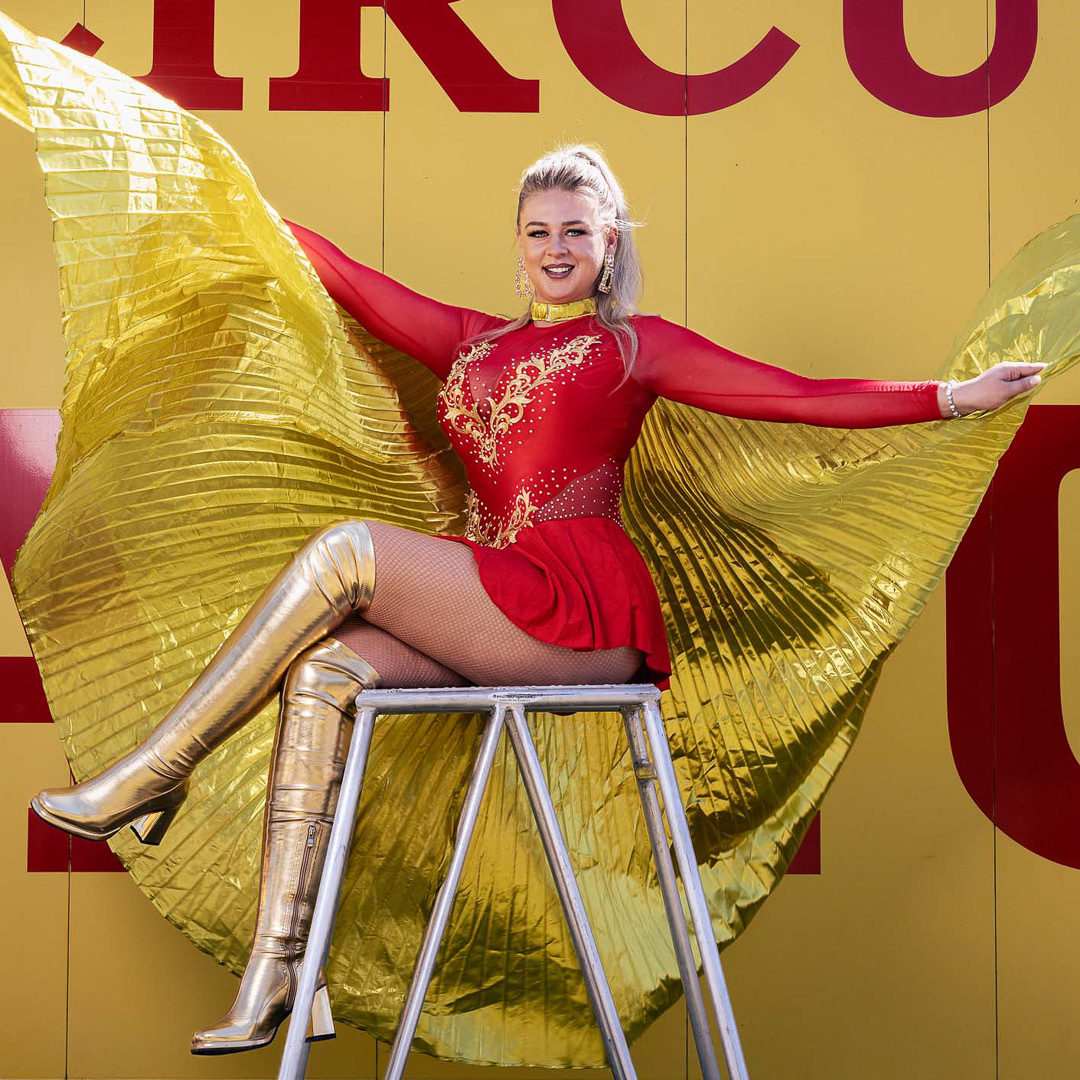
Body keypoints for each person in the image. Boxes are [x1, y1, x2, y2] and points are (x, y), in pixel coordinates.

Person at [24, 137, 1043, 1055]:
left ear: (609, 243)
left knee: (345, 554)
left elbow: (795, 396)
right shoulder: (472, 342)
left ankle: (158, 771)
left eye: (577, 231)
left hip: (578, 612)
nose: (557, 248)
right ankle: (281, 971)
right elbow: (340, 275)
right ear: (518, 242)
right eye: (540, 231)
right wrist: (213, 190)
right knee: (326, 669)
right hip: (495, 599)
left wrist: (951, 398)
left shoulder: (634, 346)